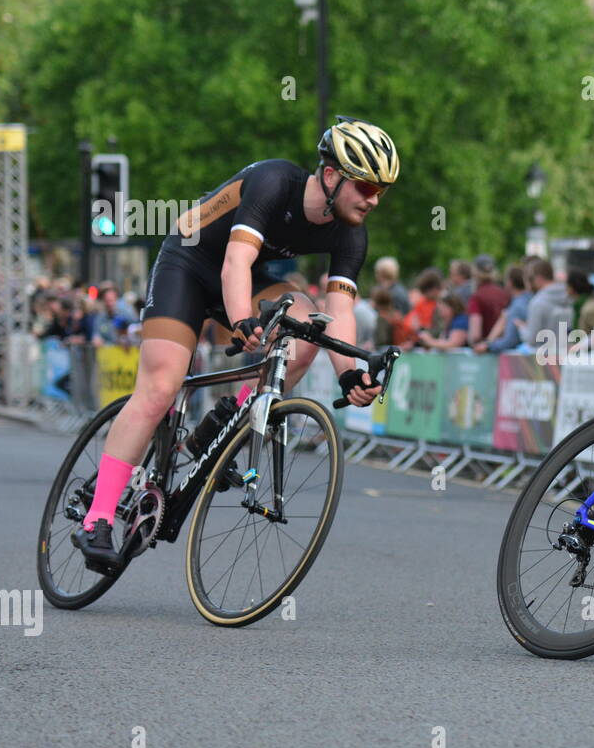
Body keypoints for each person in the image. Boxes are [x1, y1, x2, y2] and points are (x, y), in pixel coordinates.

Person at [70, 116, 394, 576]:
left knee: (304, 324)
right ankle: (98, 518)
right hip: (189, 263)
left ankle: (226, 423)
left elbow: (338, 311)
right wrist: (241, 320)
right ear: (330, 175)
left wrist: (349, 372)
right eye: (365, 187)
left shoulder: (350, 232)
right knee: (161, 388)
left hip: (238, 278)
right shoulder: (272, 182)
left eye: (382, 190)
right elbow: (235, 259)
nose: (374, 199)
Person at [521, 258, 572, 349]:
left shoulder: (537, 303)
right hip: (568, 356)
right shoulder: (569, 296)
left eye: (531, 279)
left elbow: (532, 339)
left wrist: (522, 328)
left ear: (539, 278)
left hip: (545, 358)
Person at [465, 255, 509, 345]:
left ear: (474, 272)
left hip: (484, 352)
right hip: (503, 350)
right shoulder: (504, 294)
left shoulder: (477, 297)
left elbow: (475, 335)